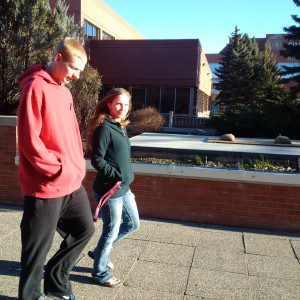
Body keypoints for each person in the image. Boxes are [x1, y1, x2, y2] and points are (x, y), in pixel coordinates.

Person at [17, 37, 95, 300]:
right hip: (46, 185)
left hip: (71, 183)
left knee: (85, 229)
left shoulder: (64, 89)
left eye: (81, 70)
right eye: (74, 68)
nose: (77, 75)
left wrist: (75, 166)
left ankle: (56, 281)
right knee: (35, 251)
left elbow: (69, 134)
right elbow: (29, 140)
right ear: (58, 58)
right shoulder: (35, 87)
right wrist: (58, 169)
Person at [87, 88, 140, 287]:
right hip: (110, 189)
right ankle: (100, 273)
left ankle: (99, 253)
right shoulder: (104, 128)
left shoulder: (120, 126)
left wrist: (124, 176)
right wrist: (116, 175)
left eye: (126, 105)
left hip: (124, 188)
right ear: (109, 104)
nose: (122, 108)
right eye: (118, 103)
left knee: (133, 224)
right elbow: (97, 160)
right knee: (110, 231)